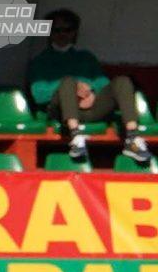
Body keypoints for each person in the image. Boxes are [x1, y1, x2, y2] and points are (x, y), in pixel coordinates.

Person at [28, 10, 152, 169]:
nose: (62, 34)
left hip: (91, 108)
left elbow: (104, 84)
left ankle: (132, 139)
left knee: (122, 81)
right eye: (56, 30)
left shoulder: (86, 57)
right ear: (49, 33)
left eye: (67, 29)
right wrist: (74, 87)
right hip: (62, 113)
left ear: (74, 32)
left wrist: (91, 91)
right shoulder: (40, 61)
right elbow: (39, 95)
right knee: (68, 81)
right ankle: (75, 138)